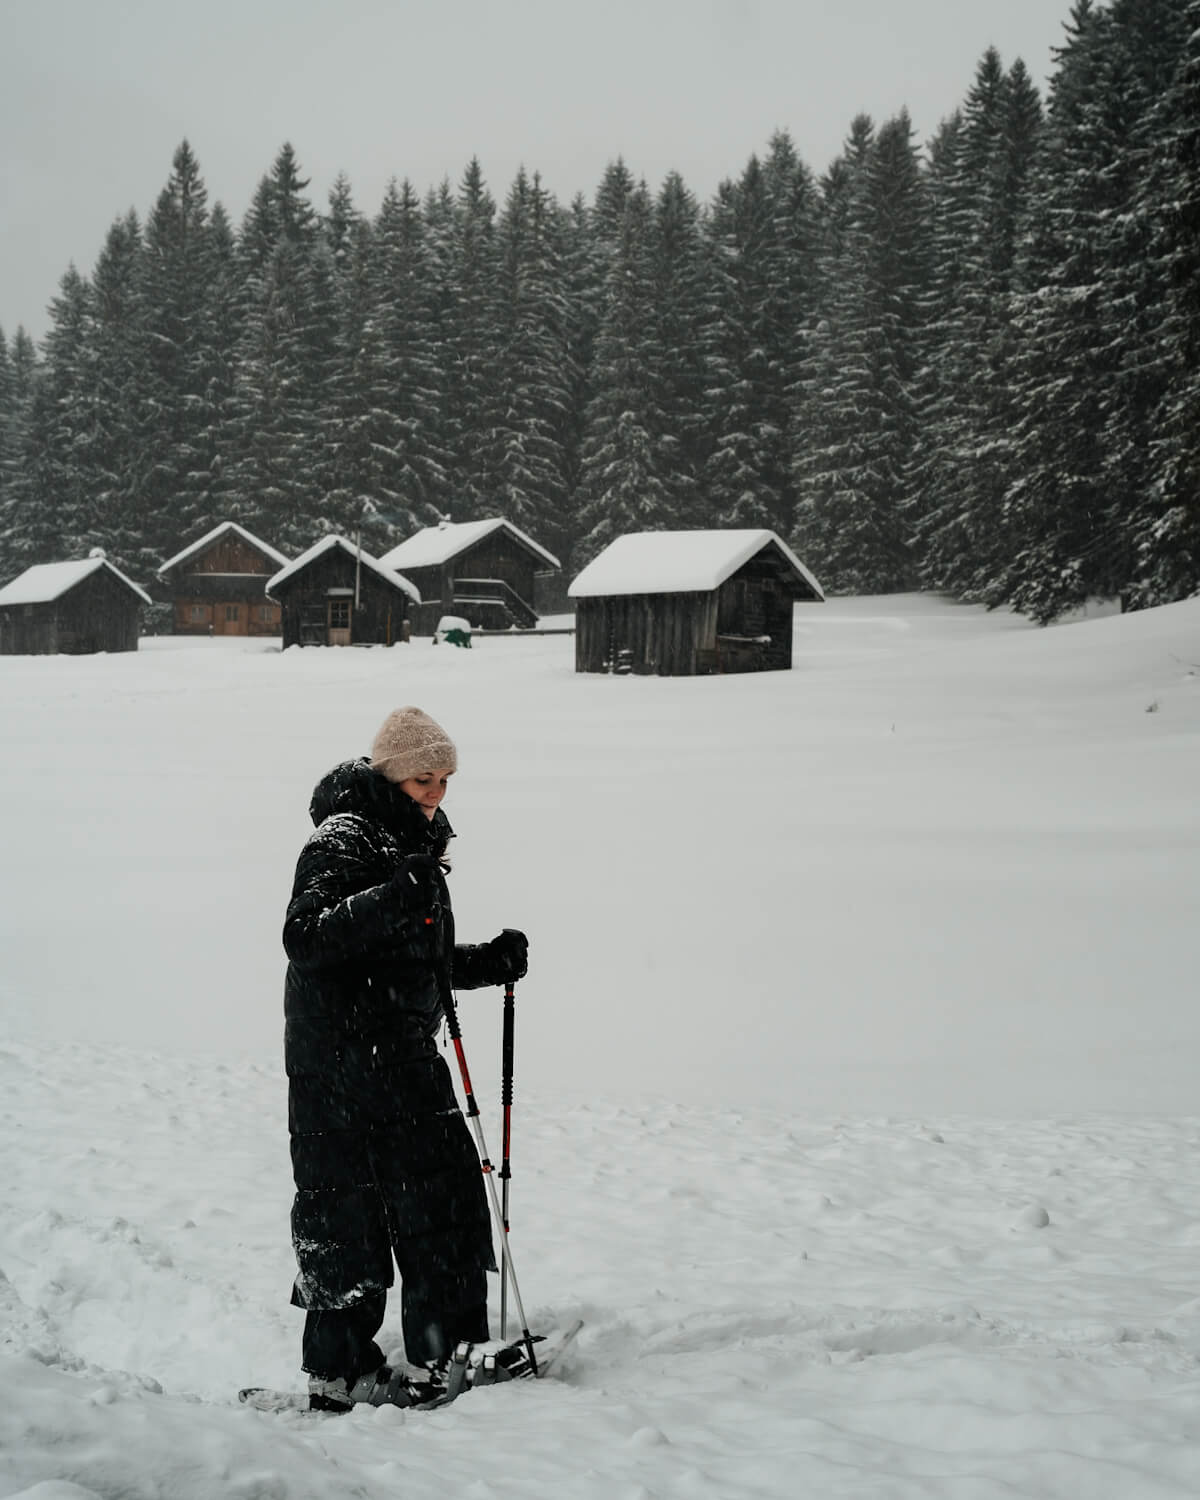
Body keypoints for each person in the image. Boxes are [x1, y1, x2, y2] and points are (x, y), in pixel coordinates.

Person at [282, 705, 529, 1412]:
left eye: (446, 780)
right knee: (347, 1219)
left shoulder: (408, 836)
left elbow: (402, 953)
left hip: (398, 1057)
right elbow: (306, 937)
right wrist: (396, 896)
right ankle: (346, 1371)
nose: (435, 793)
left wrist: (484, 963)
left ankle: (438, 1355)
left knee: (436, 1202)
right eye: (424, 778)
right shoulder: (343, 838)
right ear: (391, 774)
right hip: (340, 1066)